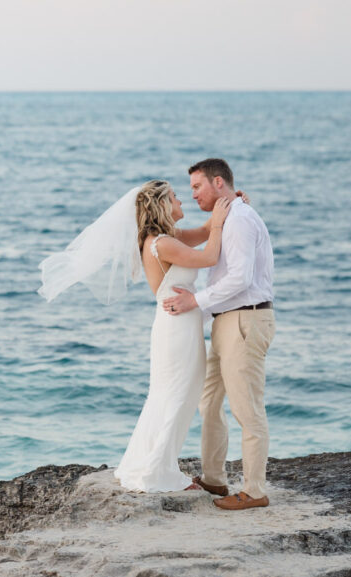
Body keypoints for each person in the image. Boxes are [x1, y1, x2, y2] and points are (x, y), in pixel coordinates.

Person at [162, 158, 275, 510]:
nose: (193, 194)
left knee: (247, 409)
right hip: (225, 322)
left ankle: (255, 491)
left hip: (245, 321)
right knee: (209, 402)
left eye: (198, 187)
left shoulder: (239, 220)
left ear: (219, 184)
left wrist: (195, 301)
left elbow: (240, 278)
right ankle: (214, 479)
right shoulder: (227, 217)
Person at [112, 179, 230, 492]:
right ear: (164, 204)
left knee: (176, 393)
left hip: (181, 325)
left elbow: (204, 232)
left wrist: (226, 204)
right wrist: (218, 225)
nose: (182, 201)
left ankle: (155, 463)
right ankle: (157, 472)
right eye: (177, 197)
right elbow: (209, 257)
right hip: (176, 328)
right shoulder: (161, 243)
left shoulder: (168, 238)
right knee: (177, 394)